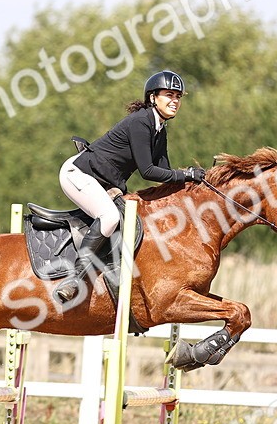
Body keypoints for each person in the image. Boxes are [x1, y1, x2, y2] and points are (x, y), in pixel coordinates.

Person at [54, 70, 205, 303]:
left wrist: (193, 183)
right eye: (169, 95)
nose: (175, 100)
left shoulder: (159, 129)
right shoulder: (141, 122)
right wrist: (186, 174)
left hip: (102, 181)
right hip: (79, 174)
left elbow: (165, 174)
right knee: (110, 217)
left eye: (178, 96)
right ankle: (73, 279)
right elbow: (148, 171)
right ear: (153, 97)